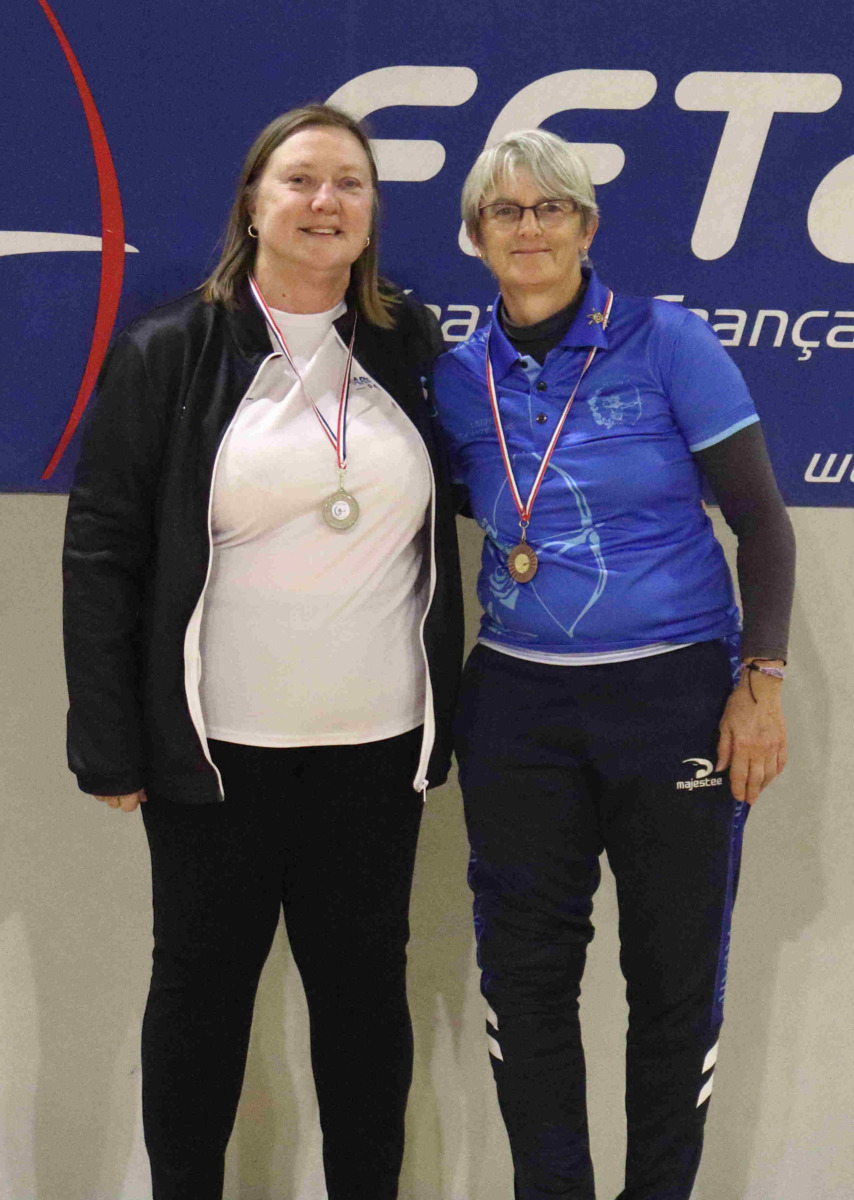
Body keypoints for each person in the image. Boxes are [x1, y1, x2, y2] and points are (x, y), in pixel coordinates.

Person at [62, 103, 463, 1200]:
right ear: (253, 202)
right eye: (300, 180)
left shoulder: (409, 345)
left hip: (375, 754)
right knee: (198, 1007)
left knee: (364, 1013)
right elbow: (101, 552)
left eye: (349, 184)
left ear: (373, 212)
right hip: (214, 757)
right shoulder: (169, 351)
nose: (325, 202)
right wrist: (109, 741)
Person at [433, 129, 794, 1200]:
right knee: (526, 983)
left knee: (672, 984)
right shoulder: (455, 377)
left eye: (551, 207)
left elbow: (764, 525)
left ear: (587, 227)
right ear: (474, 236)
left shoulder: (668, 340)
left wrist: (760, 684)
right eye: (505, 211)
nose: (529, 227)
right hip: (516, 706)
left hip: (672, 696)